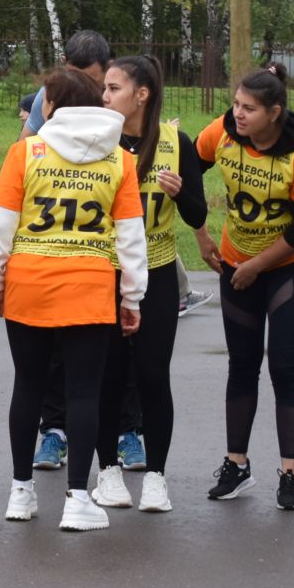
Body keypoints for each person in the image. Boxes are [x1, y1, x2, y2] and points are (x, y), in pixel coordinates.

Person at [0, 69, 147, 530]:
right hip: (91, 286)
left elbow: (1, 224)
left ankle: (20, 492)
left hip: (29, 281)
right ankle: (78, 497)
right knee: (83, 393)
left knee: (28, 387)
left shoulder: (26, 153)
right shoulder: (119, 161)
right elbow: (131, 238)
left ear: (53, 106)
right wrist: (132, 296)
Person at [195, 68, 294, 510]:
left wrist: (256, 266)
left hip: (288, 265)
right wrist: (201, 233)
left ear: (275, 112)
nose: (238, 114)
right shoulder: (224, 133)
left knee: (285, 368)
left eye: (249, 109)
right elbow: (189, 171)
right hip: (237, 261)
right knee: (242, 364)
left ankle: (290, 475)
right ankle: (237, 465)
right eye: (235, 104)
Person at [89, 55, 206, 516]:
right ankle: (108, 471)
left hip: (156, 271)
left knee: (154, 375)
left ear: (142, 94)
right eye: (105, 88)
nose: (105, 96)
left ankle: (155, 477)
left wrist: (181, 193)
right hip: (105, 270)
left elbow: (197, 216)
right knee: (108, 376)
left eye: (114, 88)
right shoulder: (97, 140)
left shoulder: (178, 143)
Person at [25, 31, 112, 472]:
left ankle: (119, 442)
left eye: (96, 82)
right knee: (51, 358)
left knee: (105, 361)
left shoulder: (112, 97)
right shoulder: (50, 96)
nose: (89, 90)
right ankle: (52, 433)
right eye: (81, 78)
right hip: (45, 258)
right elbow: (24, 149)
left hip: (96, 258)